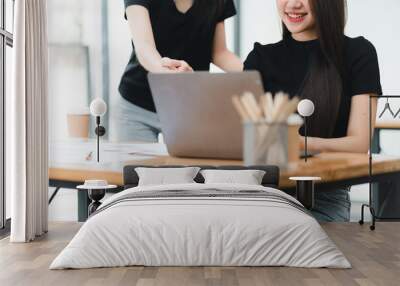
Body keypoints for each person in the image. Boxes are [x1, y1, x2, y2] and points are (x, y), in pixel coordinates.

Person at [244, 0, 382, 222]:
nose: (292, 4)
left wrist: (298, 144)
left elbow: (359, 143)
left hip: (323, 197)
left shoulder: (358, 53)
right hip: (262, 192)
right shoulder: (260, 57)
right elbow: (243, 138)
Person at [112, 0, 243, 142]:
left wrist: (259, 72)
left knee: (191, 165)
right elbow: (144, 47)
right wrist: (168, 72)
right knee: (138, 165)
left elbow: (219, 53)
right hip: (137, 108)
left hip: (188, 108)